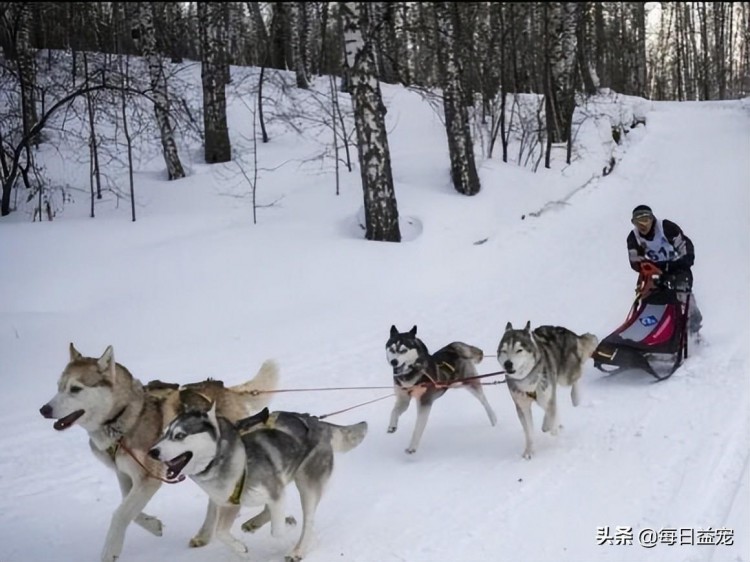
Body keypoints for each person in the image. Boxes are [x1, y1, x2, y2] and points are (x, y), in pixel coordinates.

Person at [627, 204, 702, 333]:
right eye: (637, 222)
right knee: (647, 298)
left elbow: (685, 247)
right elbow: (635, 261)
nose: (642, 225)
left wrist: (683, 262)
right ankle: (648, 333)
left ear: (652, 219)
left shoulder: (666, 227)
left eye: (645, 220)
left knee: (682, 293)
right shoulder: (634, 237)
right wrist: (644, 267)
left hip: (677, 267)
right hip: (654, 270)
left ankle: (693, 329)